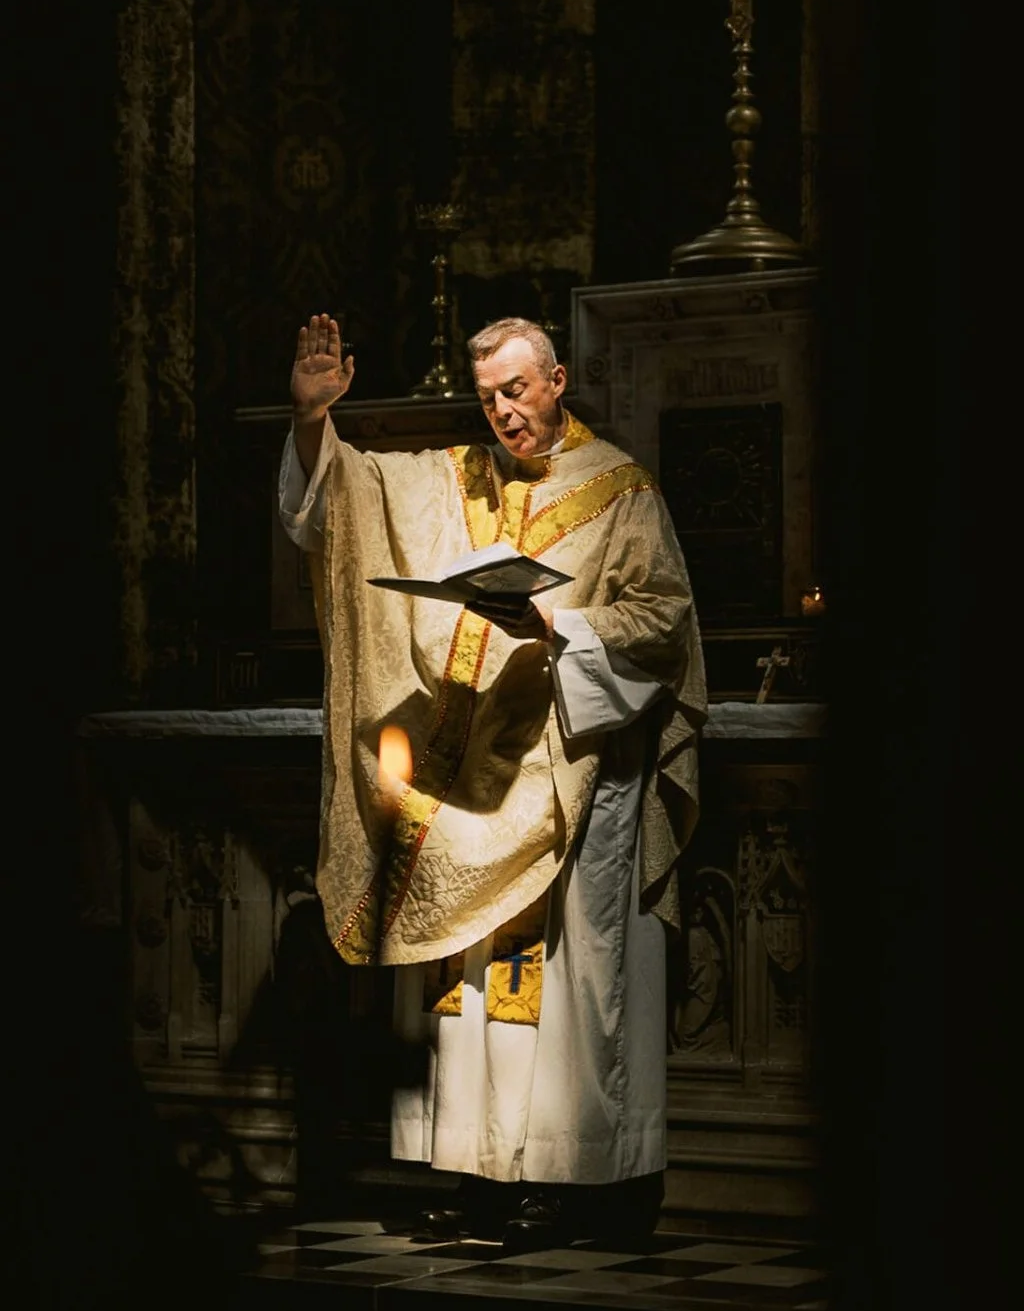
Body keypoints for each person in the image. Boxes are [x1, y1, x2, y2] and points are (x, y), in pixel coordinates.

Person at [279, 312, 706, 1251]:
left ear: (557, 380)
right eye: (487, 399)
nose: (503, 413)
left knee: (565, 986)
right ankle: (477, 1169)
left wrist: (562, 621)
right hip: (475, 785)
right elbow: (346, 500)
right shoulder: (453, 481)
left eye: (517, 391)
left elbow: (664, 620)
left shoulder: (621, 493)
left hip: (577, 772)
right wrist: (315, 423)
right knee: (473, 988)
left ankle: (570, 1175)